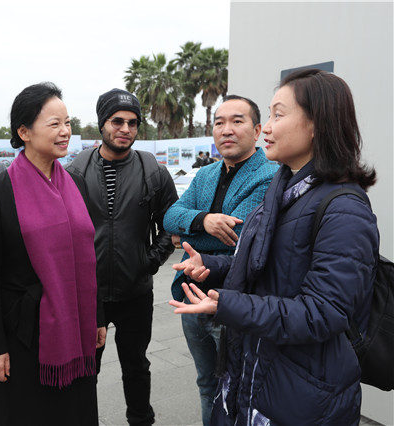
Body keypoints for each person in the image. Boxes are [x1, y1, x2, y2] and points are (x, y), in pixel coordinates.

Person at [170, 69, 379, 425]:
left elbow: (323, 312)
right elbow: (265, 265)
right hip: (258, 365)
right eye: (268, 115)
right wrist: (212, 264)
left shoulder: (345, 209)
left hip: (302, 388)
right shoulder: (283, 190)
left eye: (277, 115)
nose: (266, 128)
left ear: (317, 124)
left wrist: (227, 304)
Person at [0, 82, 105, 425]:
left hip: (75, 327)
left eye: (68, 123)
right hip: (23, 337)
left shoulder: (75, 183)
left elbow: (88, 257)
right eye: (54, 124)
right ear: (24, 132)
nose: (65, 132)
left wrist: (98, 316)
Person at [163, 95, 279, 426]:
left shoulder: (270, 174)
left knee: (241, 388)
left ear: (256, 130)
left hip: (234, 301)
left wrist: (186, 234)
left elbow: (239, 235)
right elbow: (169, 216)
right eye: (219, 122)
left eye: (237, 121)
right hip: (191, 298)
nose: (226, 129)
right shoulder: (205, 174)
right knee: (206, 385)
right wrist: (204, 220)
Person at [66, 88, 178, 426]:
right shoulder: (75, 172)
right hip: (89, 296)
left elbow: (172, 223)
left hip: (136, 292)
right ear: (102, 123)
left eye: (132, 123)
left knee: (136, 366)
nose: (125, 129)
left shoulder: (152, 170)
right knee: (86, 371)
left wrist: (150, 260)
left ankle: (141, 420)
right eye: (117, 121)